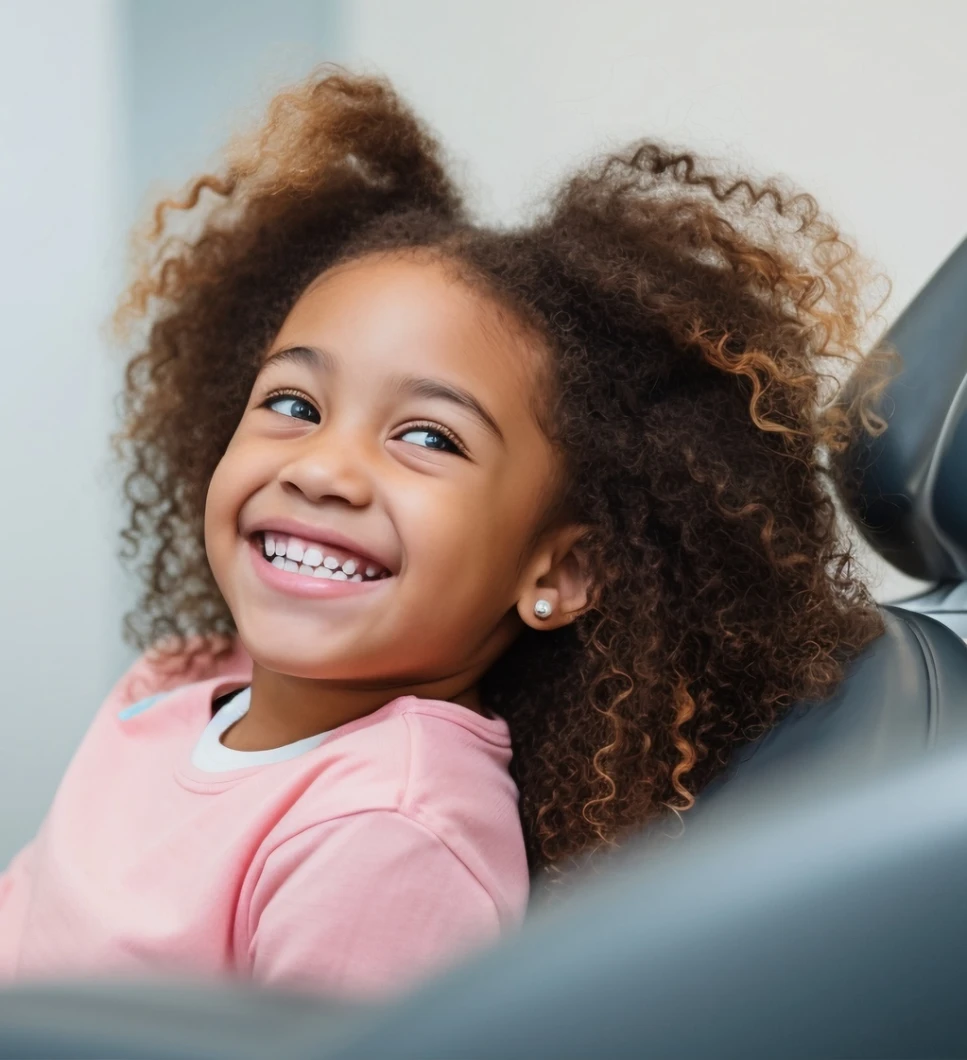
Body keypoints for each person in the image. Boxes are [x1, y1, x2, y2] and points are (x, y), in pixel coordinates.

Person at [0, 65, 894, 1001]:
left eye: (426, 436)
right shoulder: (174, 688)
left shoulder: (389, 830)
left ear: (562, 570)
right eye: (294, 404)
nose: (321, 468)